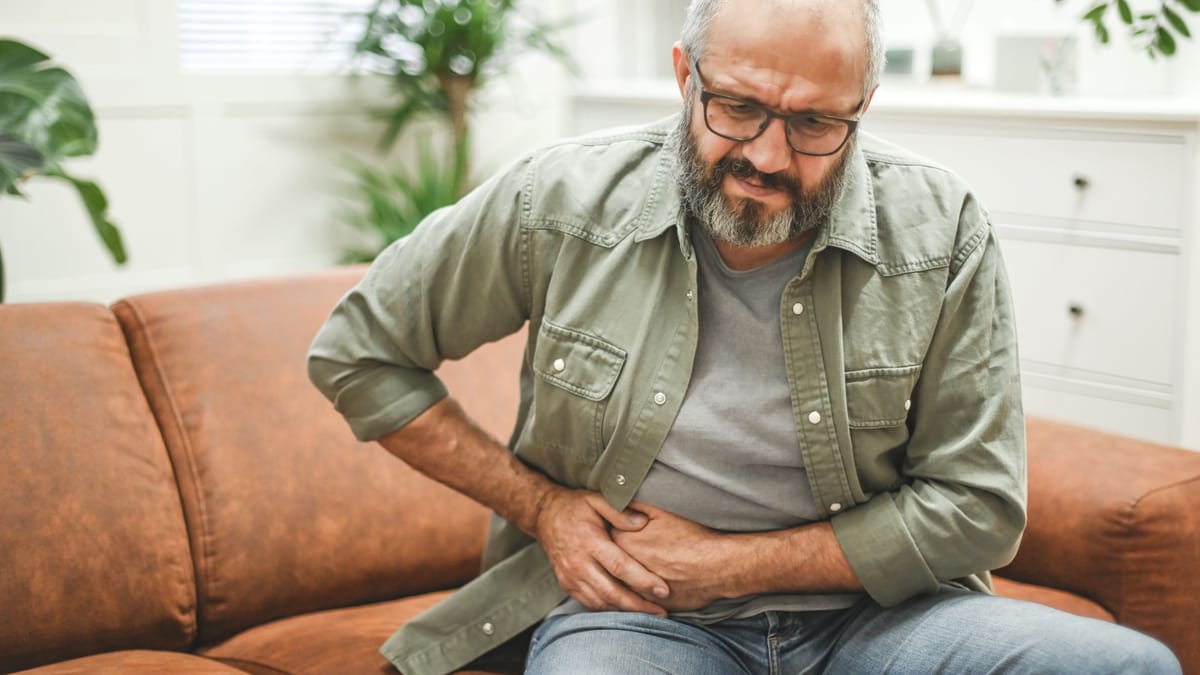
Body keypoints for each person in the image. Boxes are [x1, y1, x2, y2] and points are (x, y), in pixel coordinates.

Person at [308, 0, 1183, 673]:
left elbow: (980, 507)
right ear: (685, 73)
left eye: (814, 124)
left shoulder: (940, 228)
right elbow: (360, 350)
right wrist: (544, 508)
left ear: (864, 106)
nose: (767, 154)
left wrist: (726, 565)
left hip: (886, 618)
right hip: (632, 619)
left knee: (1127, 664)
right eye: (736, 106)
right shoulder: (563, 199)